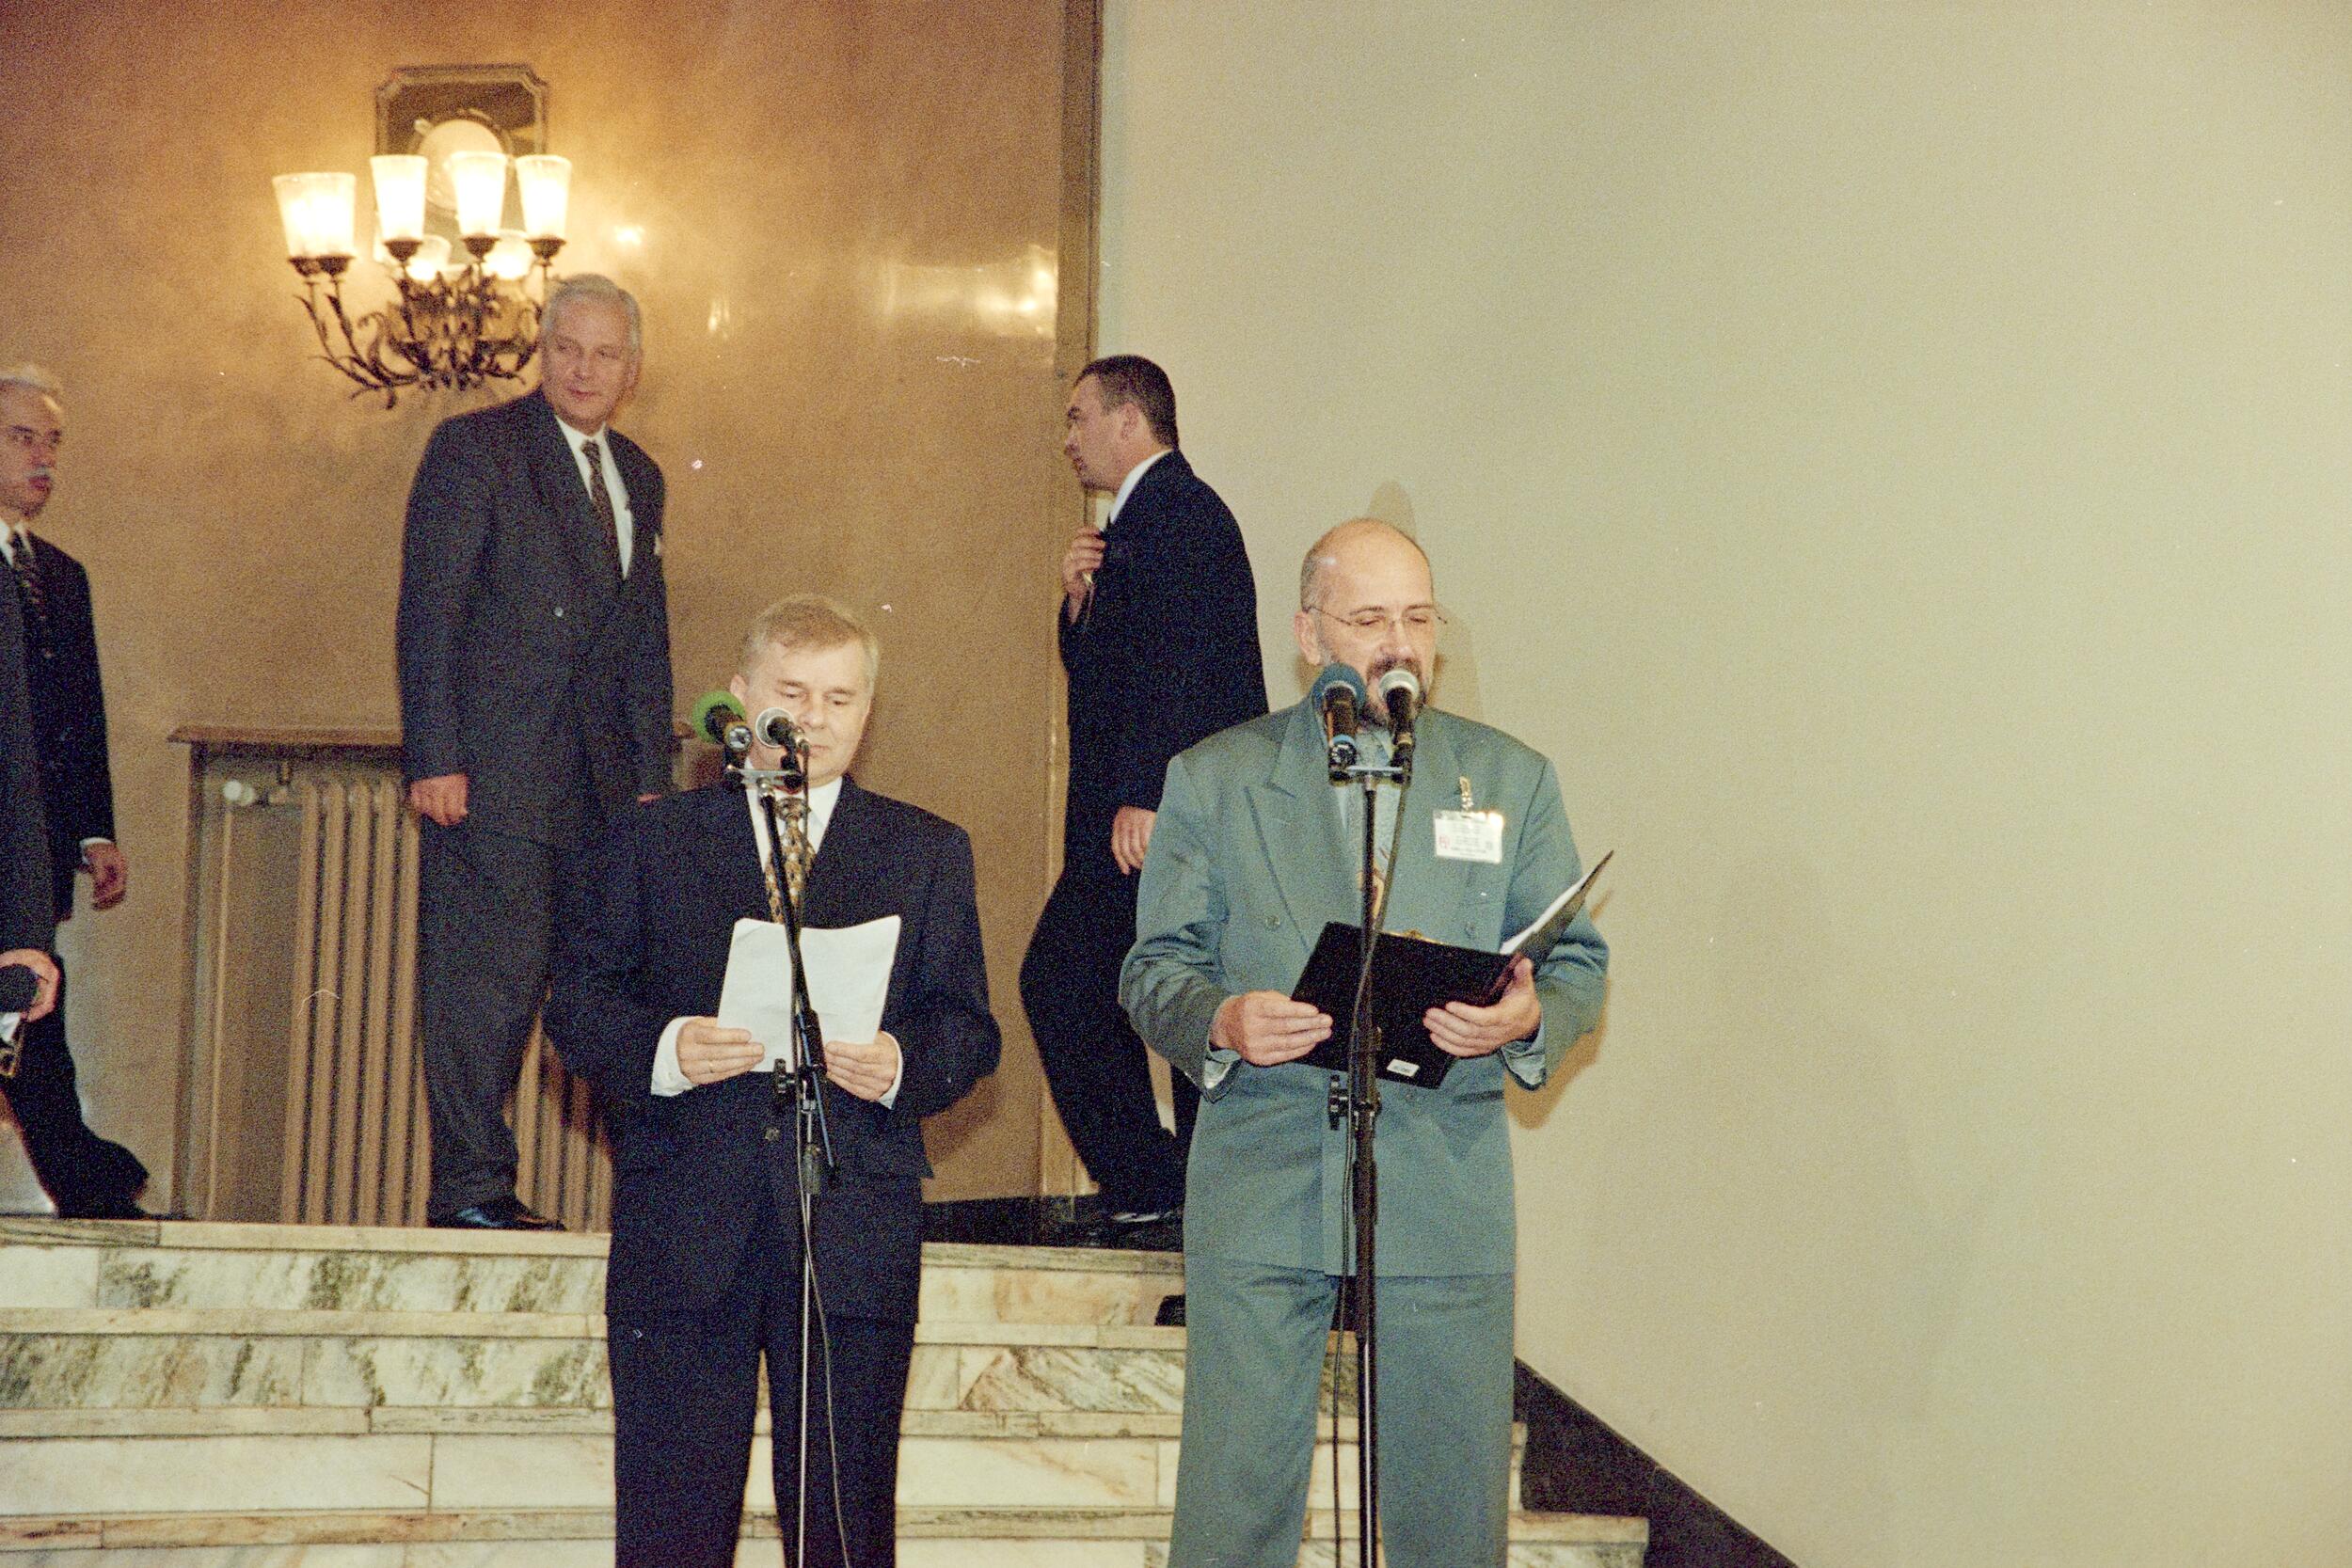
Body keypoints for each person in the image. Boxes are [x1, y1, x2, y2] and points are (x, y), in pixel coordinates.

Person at [1121, 518, 1610, 1568]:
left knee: (1448, 1509)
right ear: (1309, 634)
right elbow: (1153, 966)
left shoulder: (1509, 778)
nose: (1399, 644)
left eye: (1419, 619)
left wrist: (1526, 1017)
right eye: (1369, 618)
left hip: (1442, 1176)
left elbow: (1575, 961)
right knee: (1235, 1505)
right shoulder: (1216, 775)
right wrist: (1221, 1018)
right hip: (1264, 1166)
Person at [547, 594, 1000, 1568]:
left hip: (851, 1223)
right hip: (687, 1218)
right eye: (792, 693)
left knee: (845, 1524)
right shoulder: (653, 841)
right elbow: (578, 1006)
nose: (816, 719)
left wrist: (901, 1064)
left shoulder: (924, 849)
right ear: (742, 696)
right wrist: (667, 1047)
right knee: (671, 1527)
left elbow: (968, 1027)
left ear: (868, 709)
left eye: (840, 698)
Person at [396, 276, 674, 1230]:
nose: (584, 369)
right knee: (486, 990)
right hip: (494, 774)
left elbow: (646, 640)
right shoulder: (476, 448)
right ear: (541, 351)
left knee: (607, 994)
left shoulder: (641, 475)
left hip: (603, 787)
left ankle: (652, 1196)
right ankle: (471, 1191)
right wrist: (435, 754)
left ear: (631, 370)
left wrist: (651, 781)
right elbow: (429, 611)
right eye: (566, 347)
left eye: (605, 353)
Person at [1021, 354, 1264, 1234]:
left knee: (1079, 981)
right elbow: (1113, 667)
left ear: (1129, 420)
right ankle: (1168, 1187)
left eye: (1078, 417)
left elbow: (1180, 665)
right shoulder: (1144, 521)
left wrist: (1146, 794)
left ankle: (1165, 1185)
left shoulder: (1180, 513)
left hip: (1155, 820)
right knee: (1131, 989)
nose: (1069, 438)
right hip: (1138, 816)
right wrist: (1077, 603)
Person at [0, 364, 146, 1219]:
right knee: (30, 1017)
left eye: (52, 441)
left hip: (35, 847)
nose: (44, 458)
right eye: (23, 437)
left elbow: (79, 715)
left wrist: (94, 830)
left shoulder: (60, 573)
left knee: (31, 1008)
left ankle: (90, 1180)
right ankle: (91, 1181)